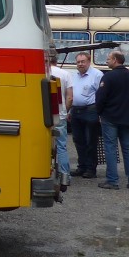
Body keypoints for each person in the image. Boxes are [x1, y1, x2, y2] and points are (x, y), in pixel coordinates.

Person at [95, 50, 129, 189]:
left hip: (110, 117)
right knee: (128, 148)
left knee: (110, 148)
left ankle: (112, 180)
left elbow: (101, 98)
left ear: (115, 60)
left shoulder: (108, 77)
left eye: (109, 59)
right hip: (127, 118)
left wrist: (100, 112)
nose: (106, 61)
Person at [69, 51, 102, 179]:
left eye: (83, 61)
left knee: (90, 141)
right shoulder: (74, 75)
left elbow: (101, 94)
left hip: (90, 110)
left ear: (89, 61)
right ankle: (81, 166)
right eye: (78, 62)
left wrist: (99, 113)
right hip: (75, 110)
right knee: (78, 140)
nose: (80, 64)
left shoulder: (97, 75)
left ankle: (90, 169)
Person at [49, 49, 73, 188]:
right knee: (61, 146)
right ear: (56, 60)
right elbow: (70, 97)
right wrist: (65, 110)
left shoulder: (40, 71)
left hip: (43, 116)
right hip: (60, 115)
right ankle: (65, 176)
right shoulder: (65, 74)